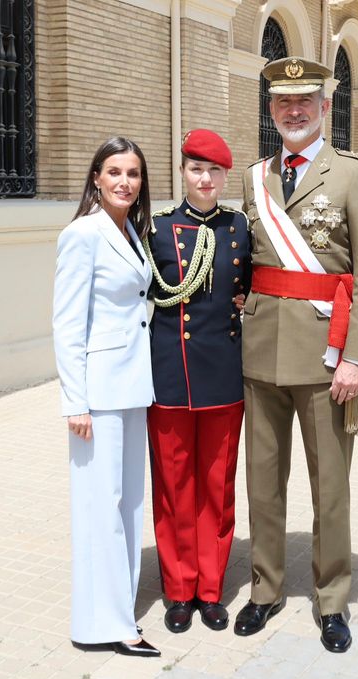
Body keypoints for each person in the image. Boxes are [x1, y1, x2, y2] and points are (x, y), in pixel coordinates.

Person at [233, 57, 358, 653]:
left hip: (328, 359)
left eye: (304, 101)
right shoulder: (254, 179)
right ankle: (266, 588)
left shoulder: (353, 175)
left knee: (330, 487)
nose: (293, 111)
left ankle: (331, 600)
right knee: (263, 483)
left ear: (324, 106)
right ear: (272, 111)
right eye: (282, 103)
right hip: (260, 353)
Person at [52, 136, 160, 658]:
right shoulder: (82, 234)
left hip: (133, 385)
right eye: (114, 171)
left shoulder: (132, 232)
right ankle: (110, 626)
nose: (124, 182)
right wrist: (75, 402)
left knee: (128, 504)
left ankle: (115, 611)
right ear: (96, 177)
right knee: (100, 507)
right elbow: (67, 324)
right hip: (97, 393)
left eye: (133, 173)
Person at [142, 129, 252, 634]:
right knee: (172, 488)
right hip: (169, 376)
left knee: (216, 487)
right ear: (182, 172)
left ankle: (211, 589)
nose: (205, 179)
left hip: (224, 375)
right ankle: (179, 589)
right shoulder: (156, 228)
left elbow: (253, 288)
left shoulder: (240, 228)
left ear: (225, 176)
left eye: (214, 171)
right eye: (196, 169)